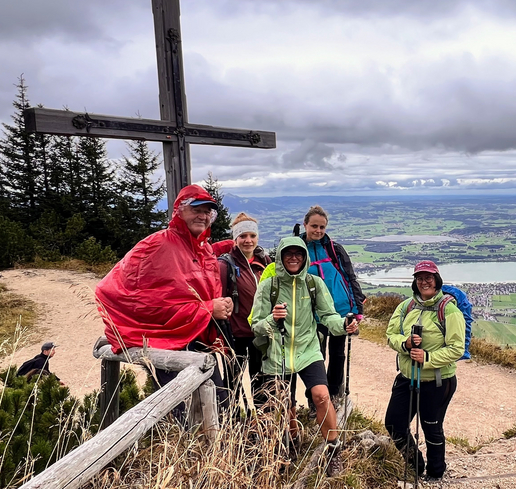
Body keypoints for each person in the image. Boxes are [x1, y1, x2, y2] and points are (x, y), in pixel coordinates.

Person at [95, 184, 233, 403]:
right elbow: (122, 294)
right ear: (179, 211)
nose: (203, 215)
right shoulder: (156, 245)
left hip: (196, 337)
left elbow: (196, 289)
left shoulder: (203, 248)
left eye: (207, 211)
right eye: (196, 209)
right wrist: (208, 308)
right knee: (180, 412)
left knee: (219, 404)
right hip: (166, 343)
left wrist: (219, 305)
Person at [250, 236, 359, 476]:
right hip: (277, 353)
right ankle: (289, 442)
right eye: (288, 253)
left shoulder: (314, 283)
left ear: (304, 257)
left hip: (308, 350)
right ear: (280, 257)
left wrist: (344, 325)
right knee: (283, 404)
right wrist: (272, 319)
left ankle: (333, 448)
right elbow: (256, 326)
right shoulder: (269, 286)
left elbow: (328, 316)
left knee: (321, 395)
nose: (293, 257)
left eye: (298, 254)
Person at [384, 260, 464, 481]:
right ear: (415, 281)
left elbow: (457, 348)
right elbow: (391, 335)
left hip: (438, 380)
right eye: (419, 278)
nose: (424, 282)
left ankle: (436, 472)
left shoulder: (448, 309)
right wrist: (406, 344)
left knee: (431, 427)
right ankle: (415, 465)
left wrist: (428, 358)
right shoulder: (406, 306)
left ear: (437, 280)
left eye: (428, 277)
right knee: (394, 423)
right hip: (408, 377)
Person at [298, 205, 366, 412]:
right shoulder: (297, 249)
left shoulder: (334, 249)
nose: (318, 231)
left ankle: (334, 395)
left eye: (322, 227)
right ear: (305, 225)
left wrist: (357, 309)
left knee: (338, 355)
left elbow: (349, 277)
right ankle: (314, 400)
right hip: (312, 314)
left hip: (340, 310)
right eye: (314, 226)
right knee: (316, 356)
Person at [217, 212, 272, 379]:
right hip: (236, 334)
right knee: (232, 381)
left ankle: (262, 406)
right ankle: (230, 406)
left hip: (261, 332)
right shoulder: (225, 265)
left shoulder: (266, 262)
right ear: (235, 238)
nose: (248, 240)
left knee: (261, 382)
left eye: (252, 235)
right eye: (243, 236)